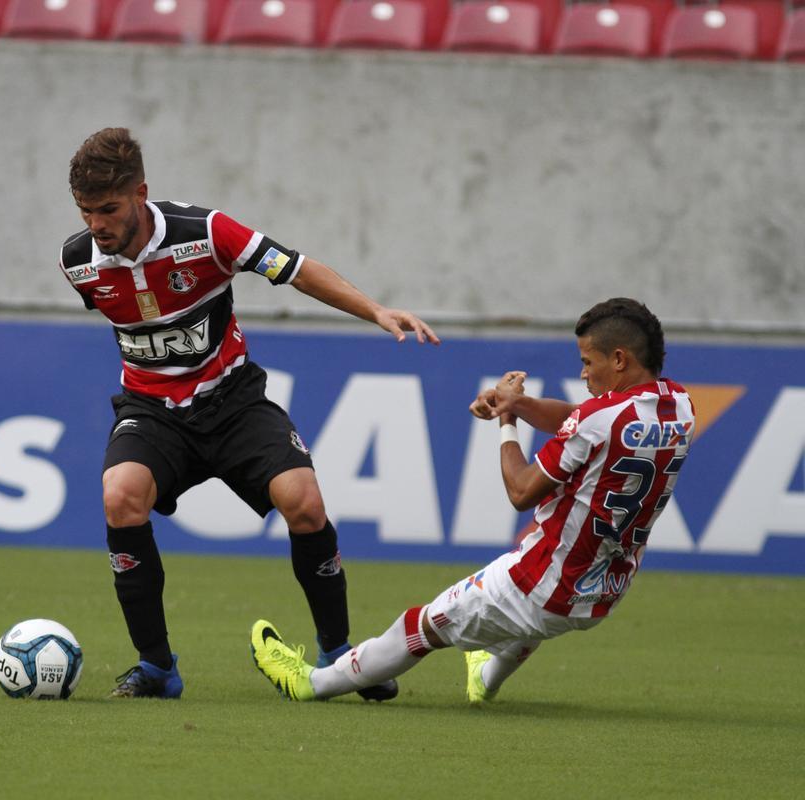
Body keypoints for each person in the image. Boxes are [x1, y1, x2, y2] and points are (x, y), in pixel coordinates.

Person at [60, 127, 441, 699]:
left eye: (108, 210)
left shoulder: (208, 233)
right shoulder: (78, 262)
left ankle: (339, 659)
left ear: (142, 192)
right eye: (86, 212)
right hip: (152, 411)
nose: (97, 226)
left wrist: (375, 310)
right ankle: (158, 668)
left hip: (234, 402)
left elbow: (297, 268)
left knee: (304, 502)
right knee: (120, 495)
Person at [250, 298, 694, 703]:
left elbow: (521, 490)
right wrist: (518, 403)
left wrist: (506, 422)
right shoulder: (681, 406)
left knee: (423, 625)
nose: (583, 374)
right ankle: (485, 679)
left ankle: (313, 683)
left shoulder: (599, 419)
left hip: (541, 578)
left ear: (619, 359)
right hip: (605, 587)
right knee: (526, 621)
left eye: (587, 362)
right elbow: (580, 420)